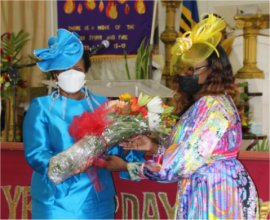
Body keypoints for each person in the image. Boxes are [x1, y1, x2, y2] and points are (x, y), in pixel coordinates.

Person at [97, 14, 259, 219]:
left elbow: (177, 166)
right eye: (183, 69)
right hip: (213, 185)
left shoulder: (212, 106)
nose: (185, 74)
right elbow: (188, 152)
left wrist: (128, 167)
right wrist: (154, 147)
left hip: (214, 193)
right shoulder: (206, 103)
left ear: (214, 70)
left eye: (193, 69)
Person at [23, 28, 144, 219]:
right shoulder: (42, 107)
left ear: (86, 71)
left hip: (96, 199)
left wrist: (127, 134)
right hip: (56, 199)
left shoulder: (103, 103)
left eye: (77, 69)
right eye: (65, 70)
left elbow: (113, 152)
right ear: (55, 74)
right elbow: (36, 154)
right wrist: (68, 164)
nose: (72, 74)